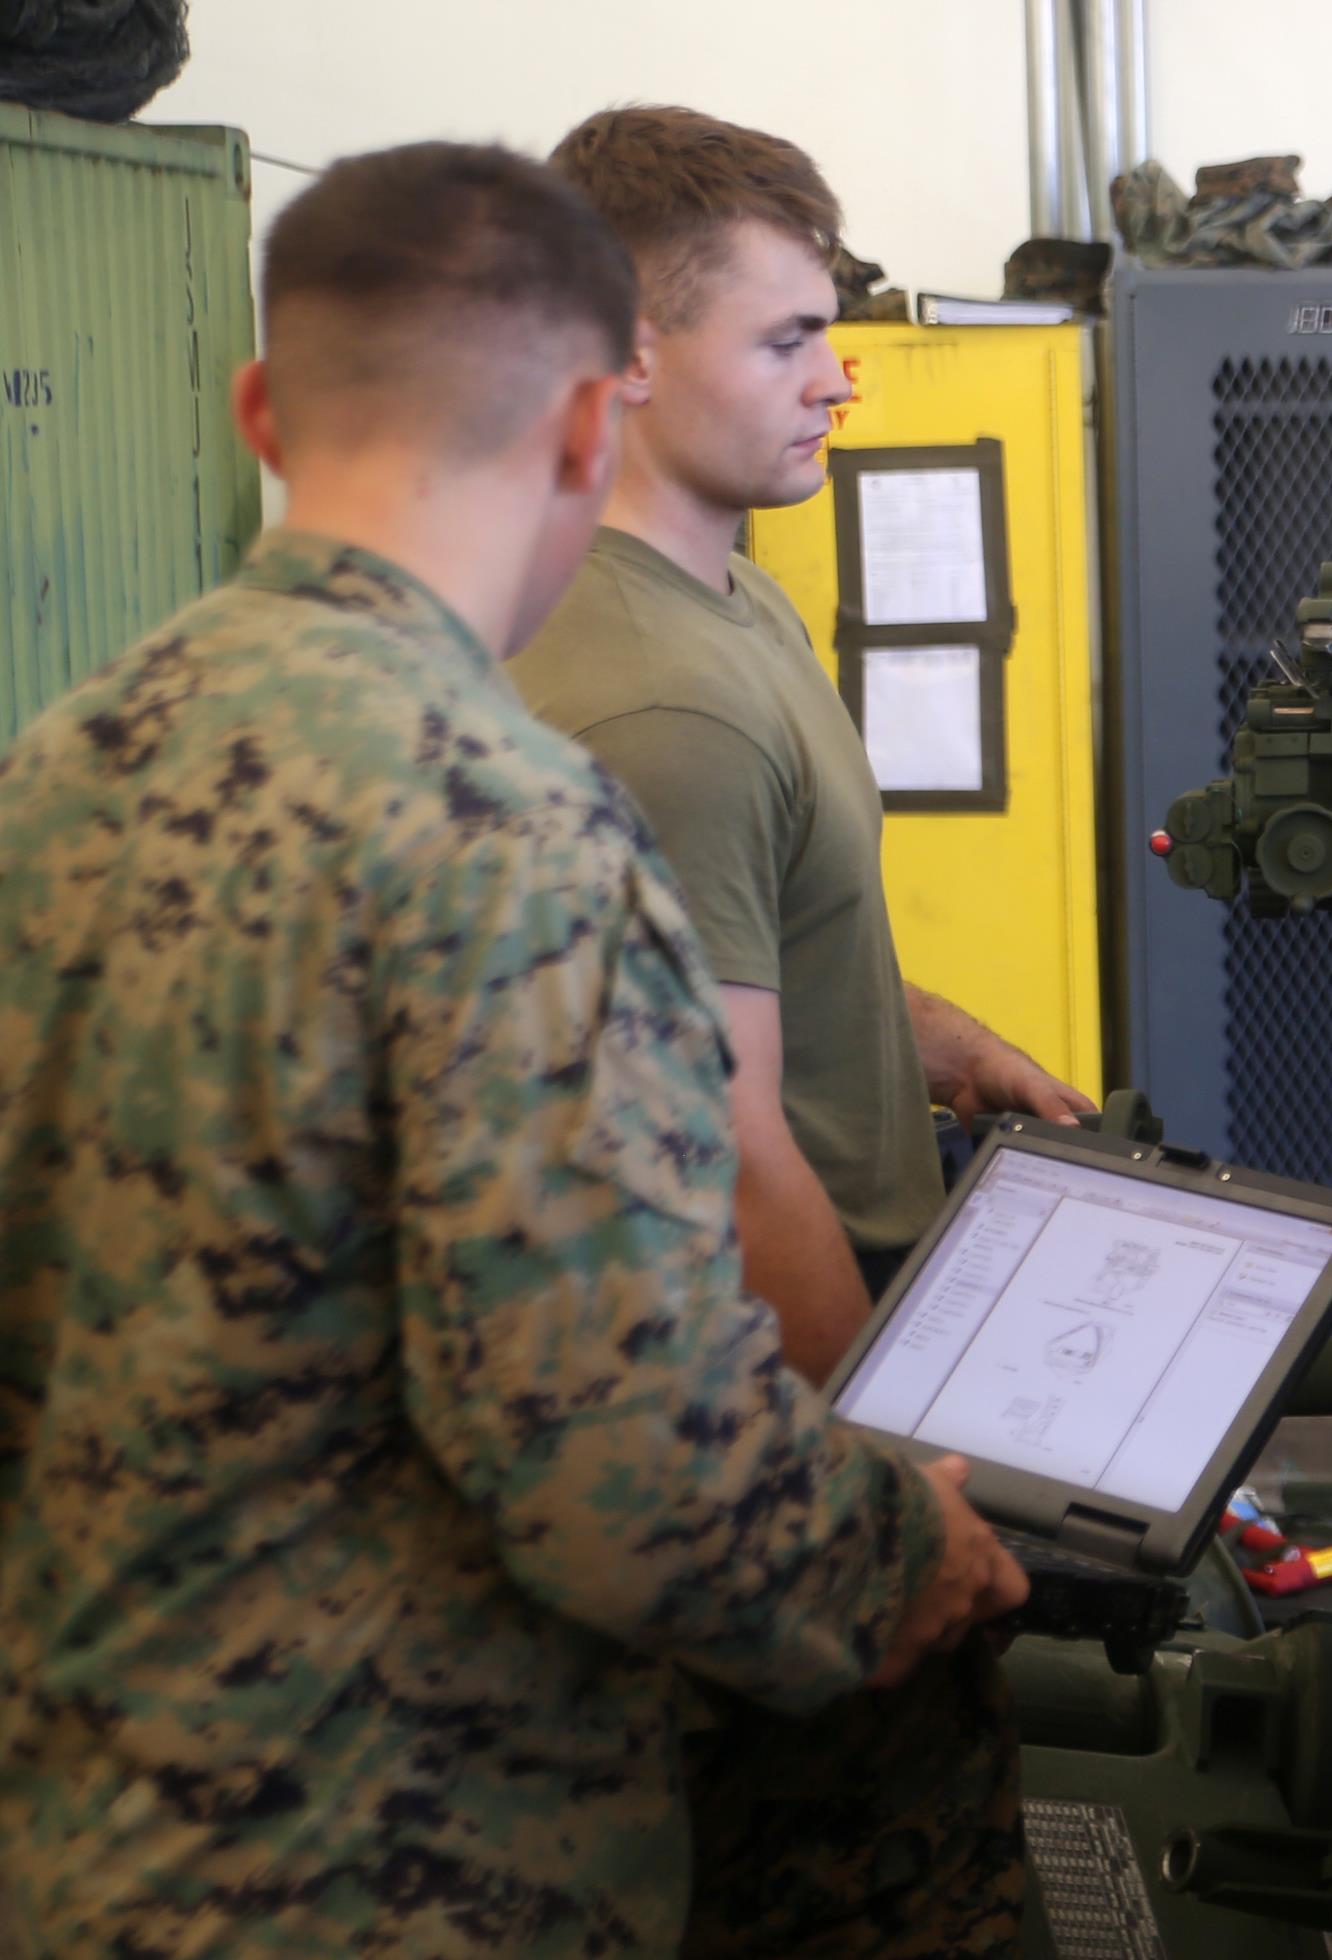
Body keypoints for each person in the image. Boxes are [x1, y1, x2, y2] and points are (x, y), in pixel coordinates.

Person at [0, 142, 1024, 1957]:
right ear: (584, 424)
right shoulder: (509, 831)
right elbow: (621, 1462)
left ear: (259, 410)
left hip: (92, 1831)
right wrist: (897, 1549)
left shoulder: (64, 767)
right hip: (404, 1853)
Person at [505, 104, 1081, 1957]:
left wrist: (917, 1029)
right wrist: (894, 1499)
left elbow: (725, 964)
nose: (841, 377)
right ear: (623, 350)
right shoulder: (655, 700)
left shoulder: (722, 595)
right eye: (785, 340)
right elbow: (730, 1155)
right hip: (779, 1438)